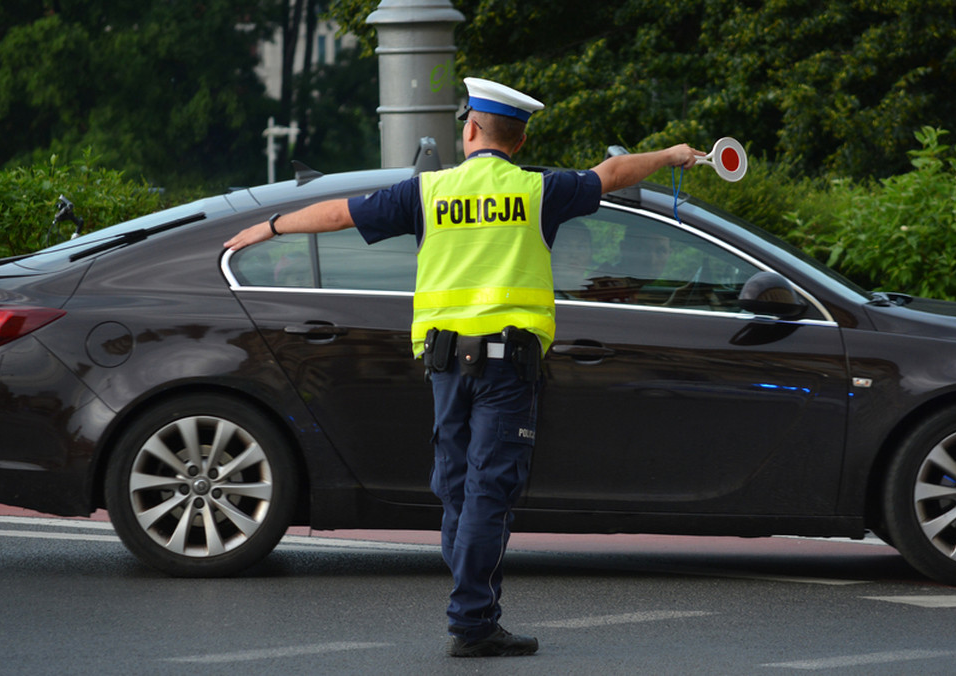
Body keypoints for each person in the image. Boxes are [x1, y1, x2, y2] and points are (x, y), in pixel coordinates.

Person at [224, 77, 702, 657]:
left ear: (471, 128)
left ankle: (475, 606)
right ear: (519, 143)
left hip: (446, 367)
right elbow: (613, 175)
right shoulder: (538, 191)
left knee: (455, 488)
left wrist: (268, 228)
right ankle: (473, 622)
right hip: (508, 369)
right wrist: (672, 155)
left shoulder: (427, 193)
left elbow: (338, 214)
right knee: (486, 493)